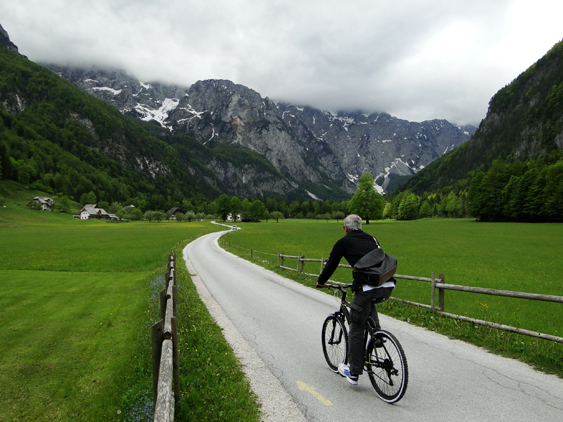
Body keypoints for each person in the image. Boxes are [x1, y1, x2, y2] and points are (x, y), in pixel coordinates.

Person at [316, 214, 395, 385]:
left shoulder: (343, 242)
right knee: (367, 305)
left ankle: (353, 372)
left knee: (356, 327)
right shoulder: (372, 239)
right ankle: (377, 336)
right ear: (359, 227)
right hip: (387, 285)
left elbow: (332, 264)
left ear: (346, 228)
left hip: (366, 287)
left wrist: (321, 281)